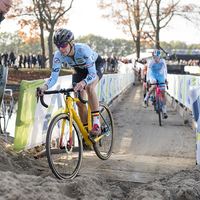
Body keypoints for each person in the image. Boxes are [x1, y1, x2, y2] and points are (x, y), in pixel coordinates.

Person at [36, 29, 105, 136]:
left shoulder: (83, 49)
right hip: (79, 71)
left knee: (89, 87)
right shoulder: (58, 56)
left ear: (71, 43)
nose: (61, 49)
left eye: (63, 45)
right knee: (79, 103)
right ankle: (86, 133)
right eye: (58, 46)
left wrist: (83, 83)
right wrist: (44, 87)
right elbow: (53, 78)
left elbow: (91, 74)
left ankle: (96, 124)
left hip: (95, 66)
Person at [143, 49, 168, 119]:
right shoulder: (150, 61)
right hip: (153, 75)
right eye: (154, 57)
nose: (155, 59)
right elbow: (148, 71)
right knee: (154, 86)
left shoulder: (162, 61)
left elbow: (165, 70)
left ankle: (164, 111)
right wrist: (148, 80)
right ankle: (145, 99)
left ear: (159, 57)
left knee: (163, 93)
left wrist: (165, 79)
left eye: (157, 57)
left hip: (160, 75)